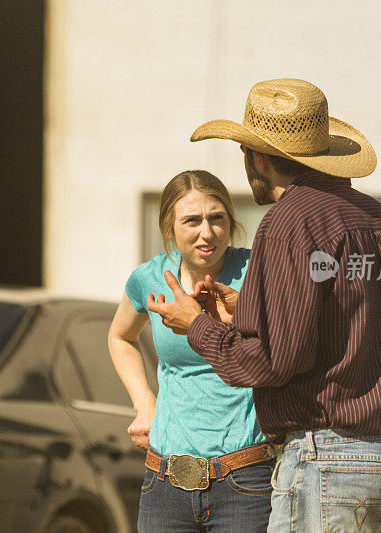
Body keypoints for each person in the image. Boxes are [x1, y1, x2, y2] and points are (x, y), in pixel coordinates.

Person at [148, 78, 381, 532]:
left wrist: (196, 326)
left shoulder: (290, 221)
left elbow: (271, 362)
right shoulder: (380, 218)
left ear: (258, 157)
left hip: (330, 464)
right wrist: (248, 310)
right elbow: (365, 326)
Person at [108, 170, 275, 532]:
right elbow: (120, 338)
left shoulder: (259, 270)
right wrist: (144, 404)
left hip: (247, 477)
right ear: (169, 228)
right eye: (192, 221)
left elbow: (285, 347)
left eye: (217, 218)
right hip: (165, 478)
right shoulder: (148, 278)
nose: (207, 232)